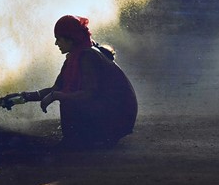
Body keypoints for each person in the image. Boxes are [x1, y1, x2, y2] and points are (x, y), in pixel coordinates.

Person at [11, 15, 138, 148]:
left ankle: (75, 141)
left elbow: (89, 93)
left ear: (70, 39)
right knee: (66, 95)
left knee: (67, 99)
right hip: (113, 114)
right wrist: (24, 96)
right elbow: (56, 88)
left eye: (58, 39)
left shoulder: (87, 56)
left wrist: (57, 96)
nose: (56, 43)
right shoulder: (77, 55)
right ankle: (82, 138)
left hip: (118, 117)